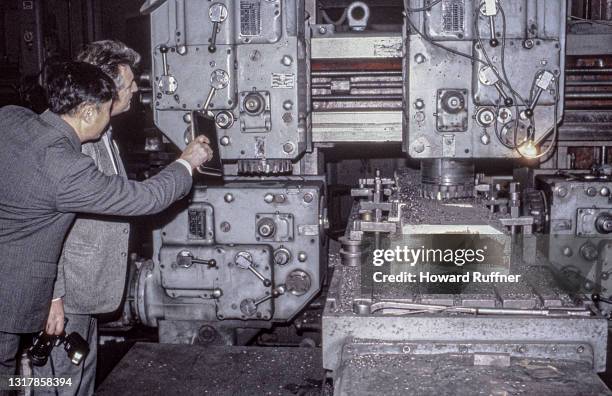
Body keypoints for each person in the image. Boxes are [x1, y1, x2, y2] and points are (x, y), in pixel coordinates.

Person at [0, 61, 212, 391]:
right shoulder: (66, 169)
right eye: (105, 110)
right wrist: (187, 162)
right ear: (86, 112)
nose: (110, 115)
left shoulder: (11, 117)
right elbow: (146, 198)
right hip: (9, 299)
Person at [31, 40, 146, 396]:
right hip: (69, 296)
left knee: (80, 381)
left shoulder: (104, 134)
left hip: (90, 290)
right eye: (129, 84)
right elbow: (45, 225)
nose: (136, 89)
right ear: (105, 89)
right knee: (58, 384)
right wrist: (53, 297)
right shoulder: (77, 142)